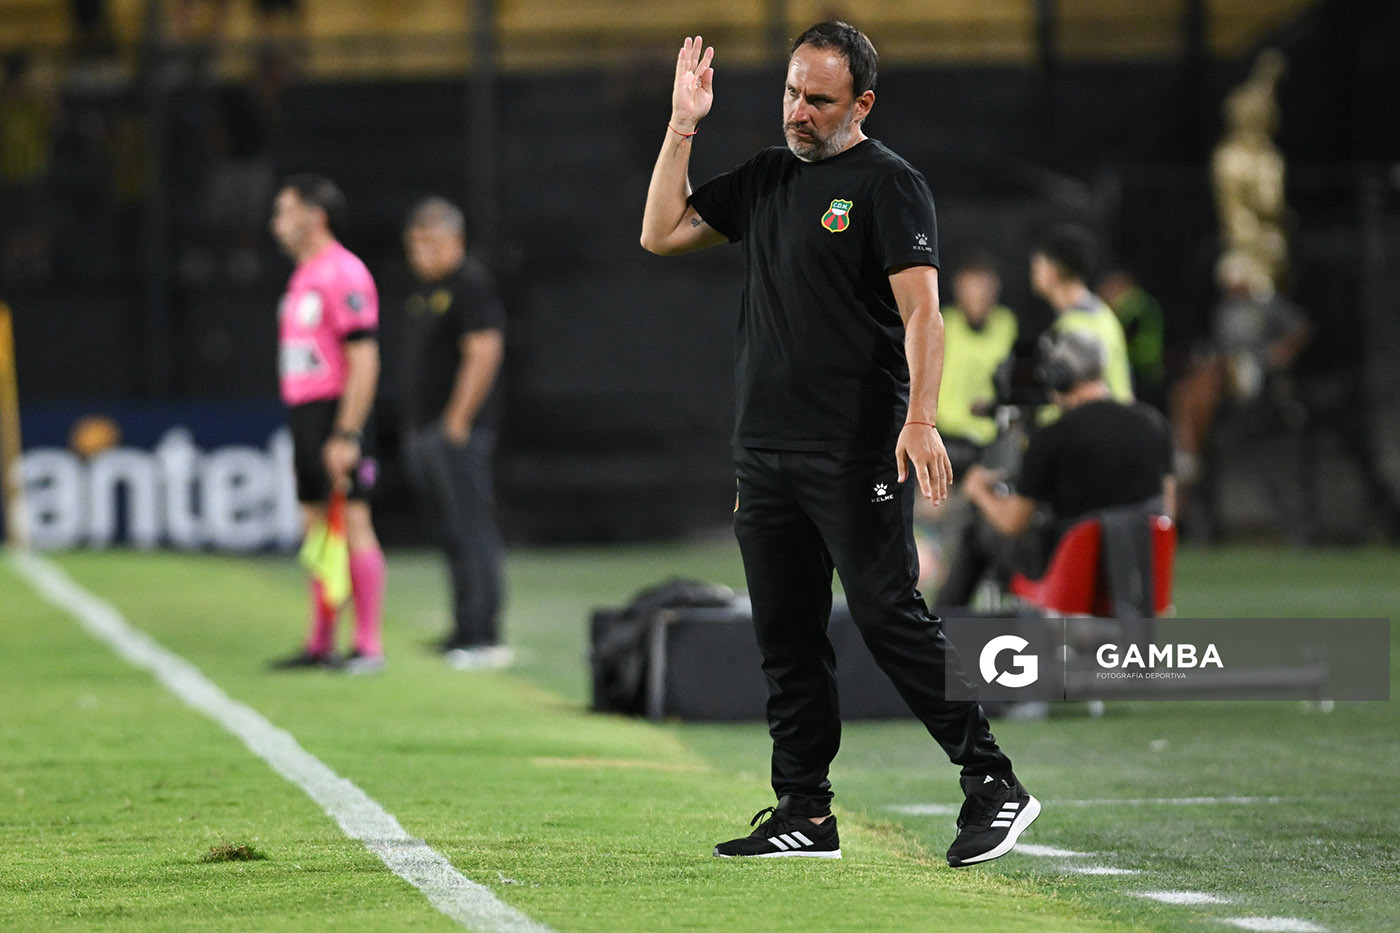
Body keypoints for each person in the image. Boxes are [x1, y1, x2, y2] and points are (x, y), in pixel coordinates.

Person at [640, 22, 1037, 866]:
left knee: (890, 617)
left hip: (856, 450)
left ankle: (993, 782)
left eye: (819, 100)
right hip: (766, 453)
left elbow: (923, 313)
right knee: (786, 634)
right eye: (791, 93)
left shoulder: (889, 184)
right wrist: (681, 126)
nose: (798, 112)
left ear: (862, 104)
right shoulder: (767, 177)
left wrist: (919, 419)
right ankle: (805, 811)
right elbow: (661, 231)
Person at [268, 175, 387, 675]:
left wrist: (348, 432)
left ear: (315, 217)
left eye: (285, 211)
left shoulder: (344, 273)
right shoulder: (303, 275)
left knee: (354, 521)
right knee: (315, 526)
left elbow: (364, 357)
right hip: (305, 411)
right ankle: (321, 642)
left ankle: (368, 646)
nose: (276, 222)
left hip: (337, 410)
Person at [400, 197, 510, 671]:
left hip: (457, 432)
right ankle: (464, 627)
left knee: (472, 529)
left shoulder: (471, 285)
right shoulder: (427, 289)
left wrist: (458, 419)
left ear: (456, 240)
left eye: (430, 243)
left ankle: (483, 632)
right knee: (450, 531)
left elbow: (484, 352)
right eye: (415, 245)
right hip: (426, 430)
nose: (421, 254)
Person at [962, 330, 1174, 573]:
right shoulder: (1154, 423)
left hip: (1074, 577)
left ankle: (952, 600)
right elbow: (1166, 511)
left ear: (1059, 377)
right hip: (1142, 572)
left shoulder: (1053, 436)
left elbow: (1013, 522)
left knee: (976, 531)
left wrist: (978, 490)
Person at [1030, 224, 1134, 404]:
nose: (1033, 273)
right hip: (1116, 416)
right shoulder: (1100, 313)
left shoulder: (1078, 326)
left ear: (1053, 271)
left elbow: (1076, 396)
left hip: (1101, 419)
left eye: (1038, 266)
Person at [937, 250, 1018, 471]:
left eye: (984, 288)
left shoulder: (1006, 324)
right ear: (958, 288)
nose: (977, 297)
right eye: (970, 289)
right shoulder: (944, 323)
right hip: (948, 437)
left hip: (992, 439)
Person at [1097, 268, 1165, 409]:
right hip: (1149, 367)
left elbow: (1122, 336)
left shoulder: (1133, 308)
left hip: (1141, 369)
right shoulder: (1144, 302)